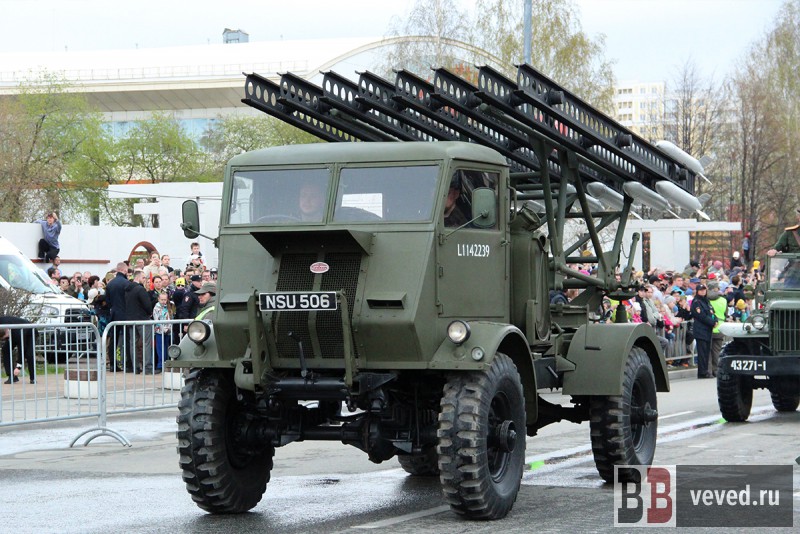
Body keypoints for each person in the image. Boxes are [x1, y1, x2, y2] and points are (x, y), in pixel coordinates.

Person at [125, 270, 154, 374]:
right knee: (146, 343)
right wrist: (150, 313)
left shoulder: (127, 289)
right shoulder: (140, 289)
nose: (145, 280)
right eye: (143, 278)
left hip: (130, 319)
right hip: (142, 319)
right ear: (138, 278)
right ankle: (148, 368)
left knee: (133, 344)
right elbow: (147, 304)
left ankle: (135, 367)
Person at [105, 261, 131, 372]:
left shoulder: (110, 284)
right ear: (125, 270)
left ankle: (112, 364)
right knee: (127, 340)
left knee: (113, 341)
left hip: (114, 314)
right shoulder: (127, 283)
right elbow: (129, 300)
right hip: (126, 314)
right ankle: (128, 364)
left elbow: (107, 301)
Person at [690, 284, 717, 379]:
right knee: (702, 352)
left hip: (708, 330)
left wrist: (715, 320)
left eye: (704, 290)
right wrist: (712, 322)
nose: (703, 291)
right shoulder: (696, 302)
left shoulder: (706, 301)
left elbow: (712, 312)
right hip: (701, 330)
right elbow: (701, 316)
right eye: (701, 290)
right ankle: (702, 372)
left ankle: (705, 371)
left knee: (706, 352)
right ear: (697, 291)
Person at [0, 317, 36, 384]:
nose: (6, 339)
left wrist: (18, 367)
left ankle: (33, 378)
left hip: (29, 332)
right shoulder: (2, 324)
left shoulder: (18, 334)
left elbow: (22, 350)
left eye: (6, 337)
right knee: (5, 349)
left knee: (29, 354)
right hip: (14, 331)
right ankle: (12, 376)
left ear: (6, 330)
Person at [707, 281, 729, 377]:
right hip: (720, 328)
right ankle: (716, 370)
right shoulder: (723, 300)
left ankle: (708, 371)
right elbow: (725, 313)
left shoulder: (706, 300)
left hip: (708, 328)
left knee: (707, 351)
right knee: (716, 351)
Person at [152, 292, 171, 372]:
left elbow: (170, 318)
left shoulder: (168, 307)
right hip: (159, 331)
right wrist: (164, 329)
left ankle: (165, 364)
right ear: (158, 299)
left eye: (165, 300)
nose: (163, 301)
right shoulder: (156, 308)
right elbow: (157, 320)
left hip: (167, 331)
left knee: (166, 348)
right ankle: (160, 365)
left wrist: (169, 328)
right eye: (162, 300)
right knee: (160, 349)